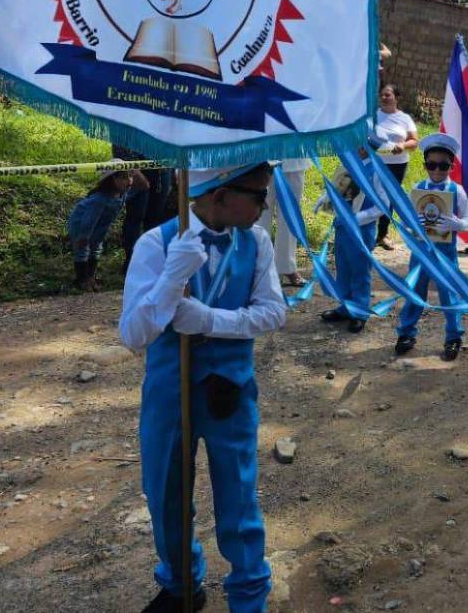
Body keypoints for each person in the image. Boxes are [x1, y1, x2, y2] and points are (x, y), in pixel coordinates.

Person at [120, 162, 285, 613]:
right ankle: (181, 586)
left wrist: (211, 319)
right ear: (221, 195)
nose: (264, 205)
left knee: (239, 495)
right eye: (258, 195)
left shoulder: (256, 241)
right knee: (166, 492)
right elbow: (132, 334)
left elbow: (274, 312)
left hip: (230, 389)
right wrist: (172, 278)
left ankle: (249, 596)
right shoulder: (156, 243)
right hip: (169, 391)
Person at [394, 134, 468, 360]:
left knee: (448, 293)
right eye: (432, 165)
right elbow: (404, 219)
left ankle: (453, 336)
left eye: (443, 165)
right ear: (425, 165)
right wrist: (411, 224)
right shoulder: (417, 189)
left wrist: (458, 224)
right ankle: (406, 333)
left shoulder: (457, 190)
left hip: (445, 253)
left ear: (451, 166)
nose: (437, 170)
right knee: (414, 291)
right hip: (420, 253)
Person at [318, 149, 381, 334]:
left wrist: (357, 218)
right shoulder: (347, 166)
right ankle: (346, 307)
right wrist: (325, 198)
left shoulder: (377, 171)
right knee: (343, 266)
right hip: (342, 226)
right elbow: (339, 189)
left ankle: (359, 312)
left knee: (360, 268)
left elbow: (382, 205)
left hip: (362, 229)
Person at [68, 163, 145, 290]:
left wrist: (140, 177)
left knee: (96, 248)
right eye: (124, 177)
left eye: (130, 176)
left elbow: (141, 187)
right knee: (83, 250)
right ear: (113, 179)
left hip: (99, 227)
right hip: (81, 226)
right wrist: (83, 237)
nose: (129, 180)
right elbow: (89, 220)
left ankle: (90, 277)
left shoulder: (122, 194)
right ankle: (81, 280)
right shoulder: (99, 199)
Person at [372, 84, 419, 251]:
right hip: (375, 162)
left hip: (397, 164)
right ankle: (366, 233)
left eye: (388, 95)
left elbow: (414, 141)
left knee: (390, 197)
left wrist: (403, 145)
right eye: (382, 95)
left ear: (396, 98)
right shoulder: (373, 115)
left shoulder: (404, 118)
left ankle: (382, 234)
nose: (384, 98)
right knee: (371, 195)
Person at [113, 144, 172, 272]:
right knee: (136, 216)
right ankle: (133, 263)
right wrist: (132, 170)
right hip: (136, 167)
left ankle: (154, 260)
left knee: (157, 217)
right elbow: (121, 141)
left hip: (163, 168)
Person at [257, 157, 310, 287]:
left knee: (290, 213)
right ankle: (258, 266)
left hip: (293, 156)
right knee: (260, 213)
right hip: (263, 157)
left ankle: (286, 266)